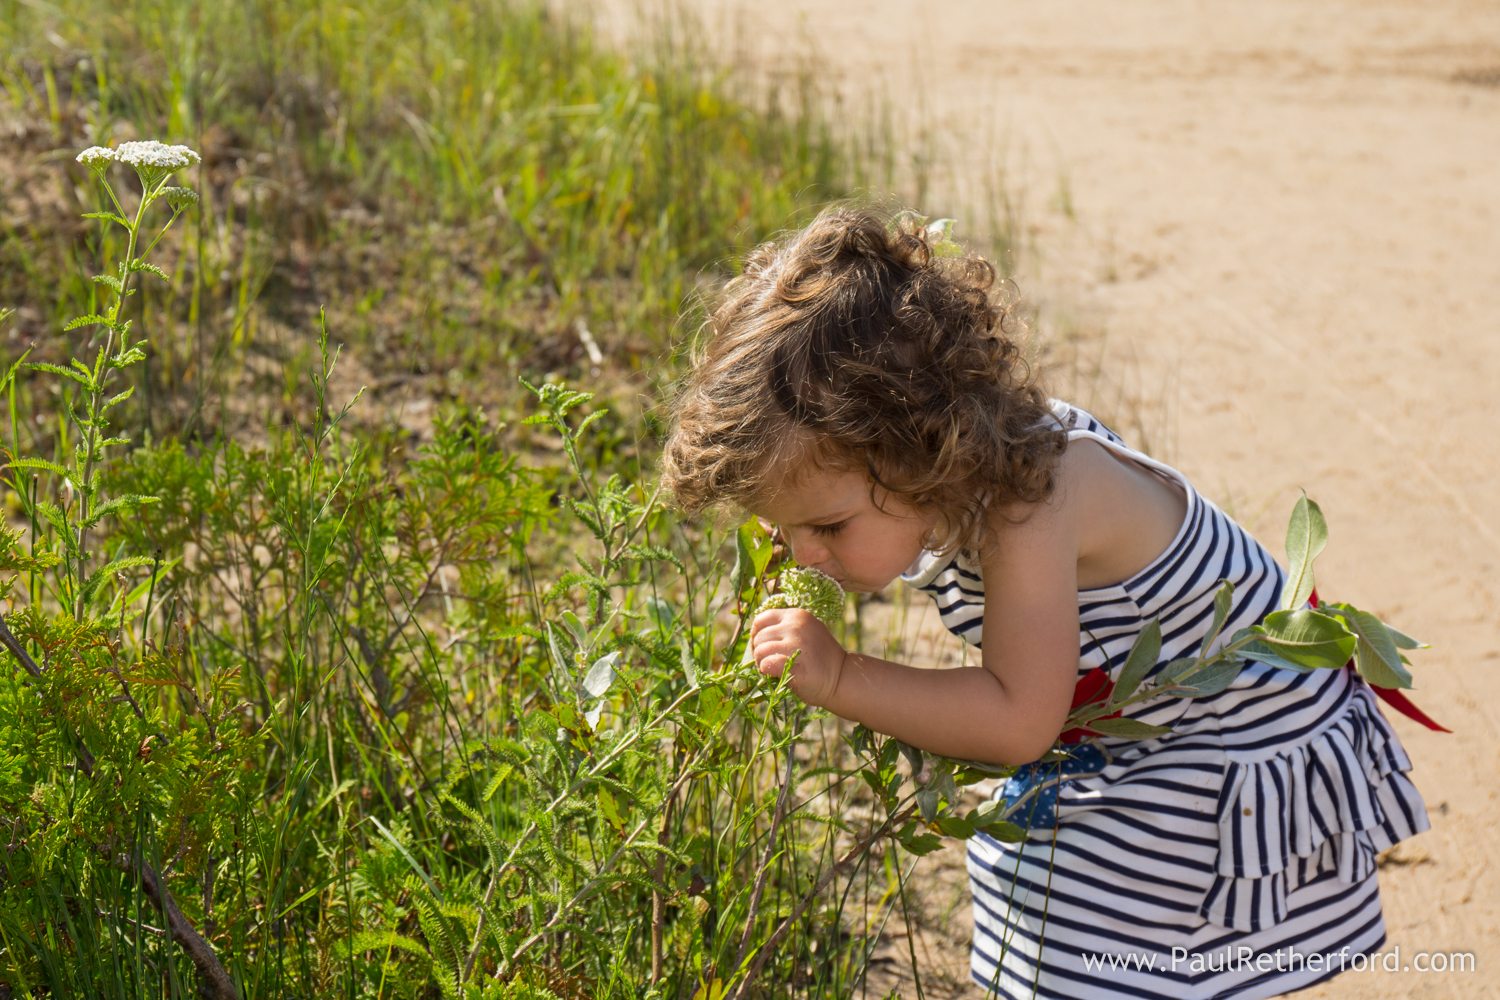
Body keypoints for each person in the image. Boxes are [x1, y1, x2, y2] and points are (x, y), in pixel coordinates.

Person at [659, 205, 1430, 999]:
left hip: (1225, 736)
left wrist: (843, 679)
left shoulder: (1033, 498)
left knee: (1079, 924)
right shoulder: (963, 474)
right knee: (1026, 876)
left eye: (826, 524)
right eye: (783, 531)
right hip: (1141, 724)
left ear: (918, 444)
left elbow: (1019, 721)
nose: (804, 552)